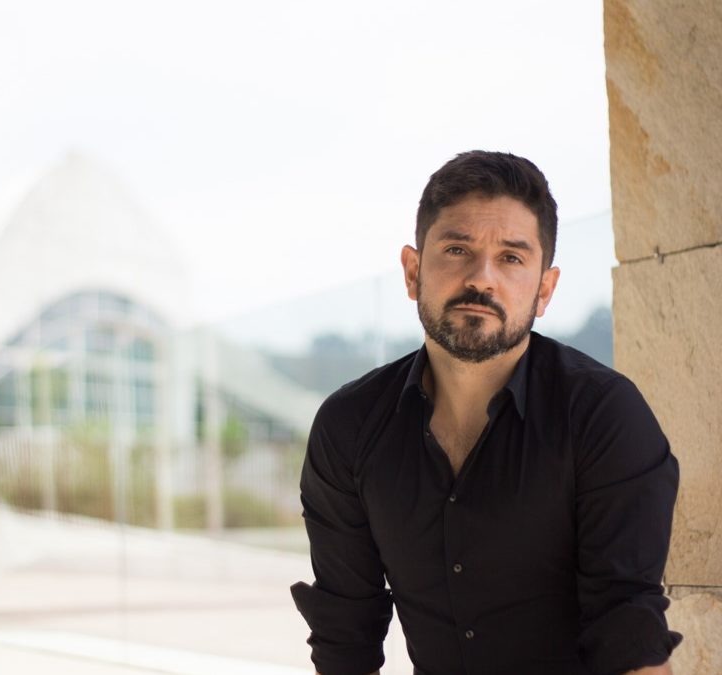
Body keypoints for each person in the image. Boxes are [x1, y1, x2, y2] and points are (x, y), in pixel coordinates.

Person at [291, 150, 681, 675]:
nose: (482, 278)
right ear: (413, 271)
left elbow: (628, 632)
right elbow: (345, 636)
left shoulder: (604, 415)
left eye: (512, 258)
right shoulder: (350, 425)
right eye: (457, 250)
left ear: (544, 290)